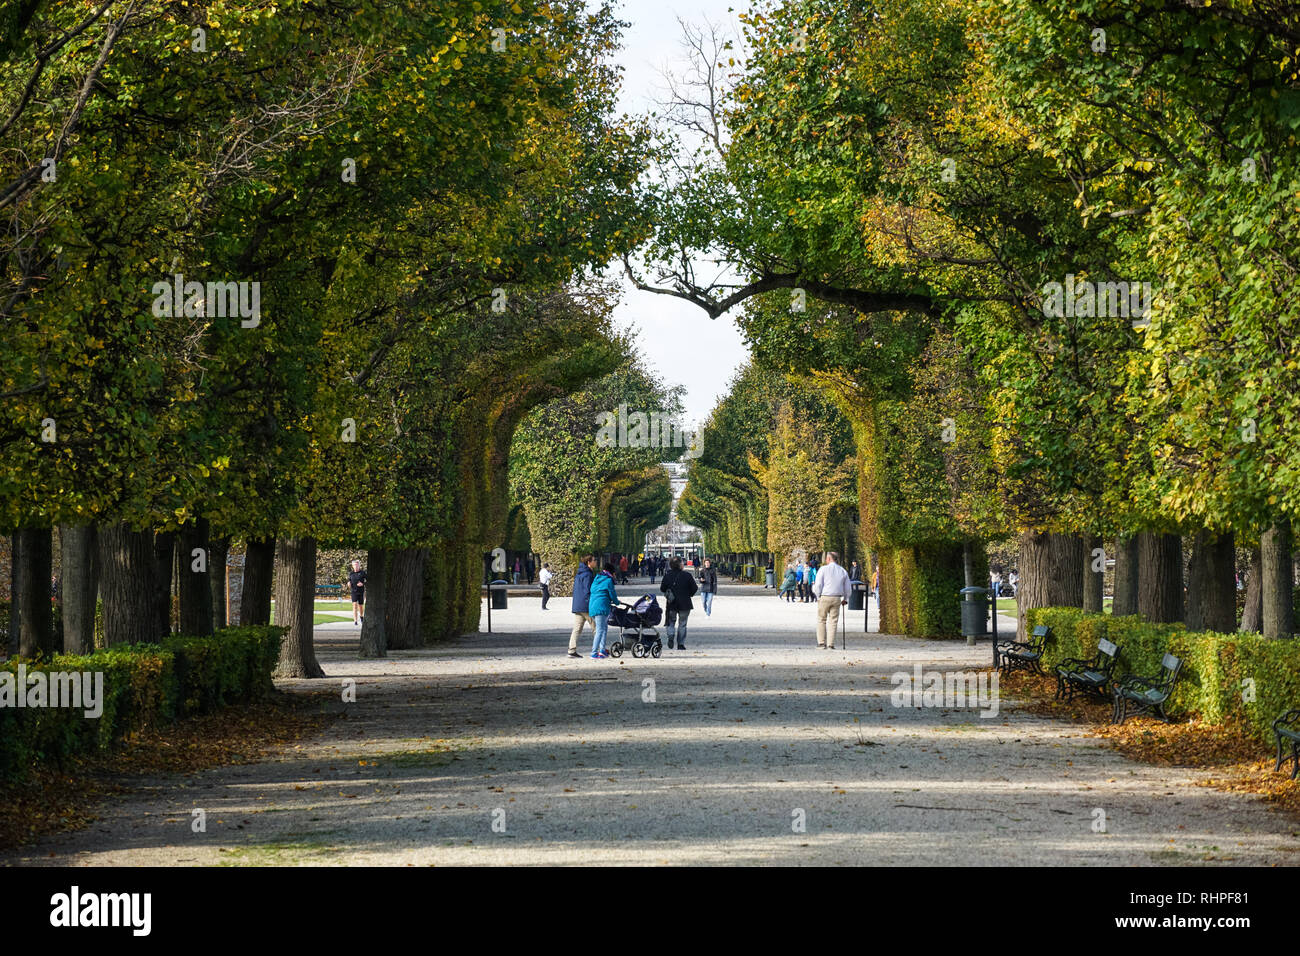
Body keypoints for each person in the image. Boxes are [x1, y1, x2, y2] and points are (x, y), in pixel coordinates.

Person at [813, 551, 851, 649]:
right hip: (837, 598)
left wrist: (818, 596)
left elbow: (818, 585)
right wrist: (845, 598)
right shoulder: (842, 570)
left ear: (829, 558)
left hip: (825, 596)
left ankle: (821, 643)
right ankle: (830, 644)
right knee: (833, 621)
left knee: (821, 620)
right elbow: (847, 587)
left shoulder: (823, 569)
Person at [660, 557, 698, 649]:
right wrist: (689, 594)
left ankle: (671, 635)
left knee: (671, 621)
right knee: (683, 623)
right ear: (680, 564)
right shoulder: (687, 575)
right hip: (685, 603)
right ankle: (680, 644)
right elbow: (694, 588)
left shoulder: (667, 575)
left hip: (672, 603)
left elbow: (662, 588)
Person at [588, 561, 619, 659]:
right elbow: (612, 594)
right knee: (600, 630)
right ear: (612, 572)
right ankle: (594, 652)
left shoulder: (596, 579)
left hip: (593, 607)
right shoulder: (609, 581)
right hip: (601, 608)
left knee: (604, 629)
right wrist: (617, 602)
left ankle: (602, 650)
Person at [568, 555, 597, 658]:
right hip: (586, 605)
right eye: (594, 560)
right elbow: (589, 590)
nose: (596, 562)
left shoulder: (579, 573)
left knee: (577, 629)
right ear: (589, 562)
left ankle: (572, 649)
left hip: (578, 604)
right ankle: (598, 649)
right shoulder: (588, 574)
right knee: (596, 627)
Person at [347, 559, 367, 626]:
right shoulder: (351, 573)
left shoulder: (362, 573)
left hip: (361, 592)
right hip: (353, 592)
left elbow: (368, 581)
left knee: (360, 606)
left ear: (359, 565)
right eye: (355, 565)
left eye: (357, 565)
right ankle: (355, 621)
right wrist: (349, 583)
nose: (356, 566)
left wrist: (363, 584)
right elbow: (349, 581)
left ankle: (361, 616)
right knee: (354, 605)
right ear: (352, 566)